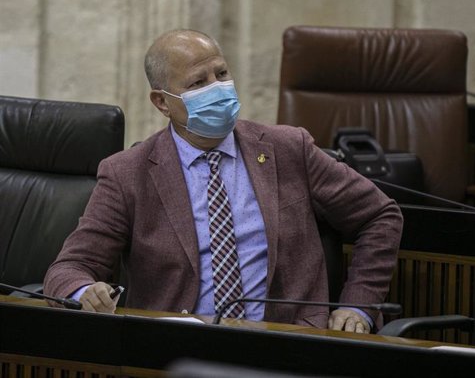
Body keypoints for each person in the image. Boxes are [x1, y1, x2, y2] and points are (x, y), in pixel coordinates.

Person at [44, 29, 403, 333]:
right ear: (162, 103)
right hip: (175, 351)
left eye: (221, 74)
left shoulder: (288, 148)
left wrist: (358, 307)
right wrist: (83, 291)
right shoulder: (128, 173)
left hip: (287, 344)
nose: (217, 88)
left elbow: (380, 216)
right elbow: (68, 269)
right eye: (198, 83)